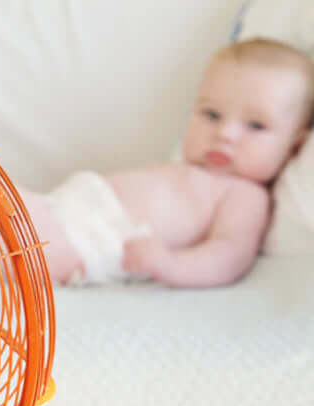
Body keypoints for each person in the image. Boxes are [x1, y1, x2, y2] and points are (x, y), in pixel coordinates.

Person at [19, 38, 314, 288]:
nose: (224, 133)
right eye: (211, 115)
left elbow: (229, 256)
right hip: (66, 207)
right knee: (1, 206)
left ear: (294, 147)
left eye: (256, 125)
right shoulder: (189, 170)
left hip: (94, 243)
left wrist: (171, 264)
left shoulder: (245, 196)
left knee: (14, 239)